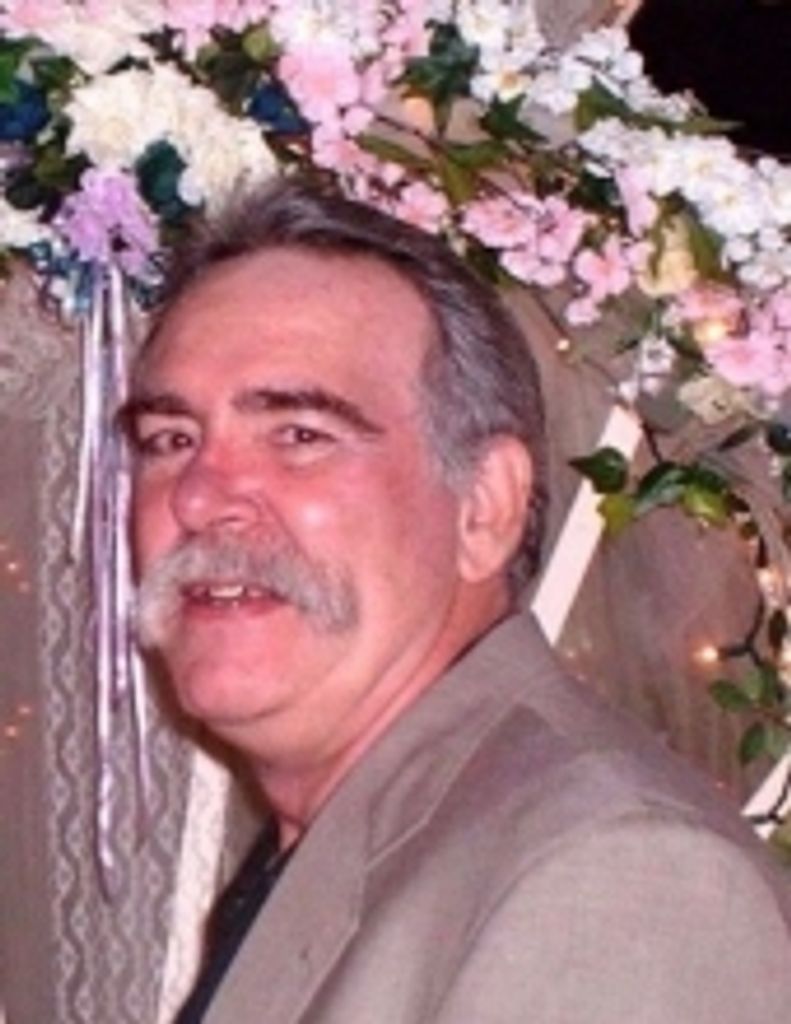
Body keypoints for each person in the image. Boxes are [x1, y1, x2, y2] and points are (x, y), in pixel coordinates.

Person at [126, 178, 791, 1023]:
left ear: (484, 507)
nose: (198, 497)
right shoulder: (338, 845)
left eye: (299, 435)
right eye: (170, 439)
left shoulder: (616, 876)